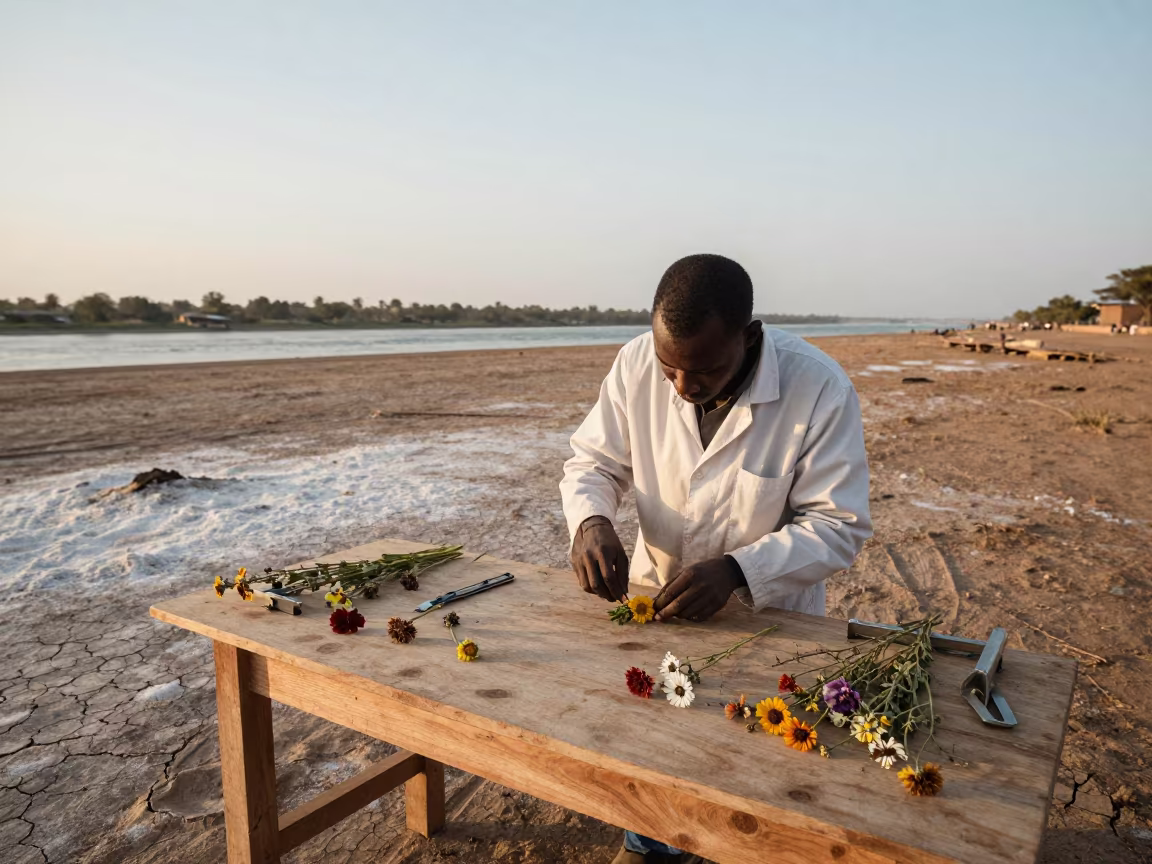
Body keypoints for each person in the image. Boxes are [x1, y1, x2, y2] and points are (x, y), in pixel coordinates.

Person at [560, 254, 873, 864]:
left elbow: (838, 524)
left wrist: (736, 571)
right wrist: (591, 522)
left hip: (770, 614)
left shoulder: (819, 388)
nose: (681, 387)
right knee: (659, 749)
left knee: (751, 763)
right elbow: (592, 463)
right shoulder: (634, 365)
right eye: (668, 366)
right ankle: (649, 840)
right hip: (661, 598)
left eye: (703, 370)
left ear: (749, 338)